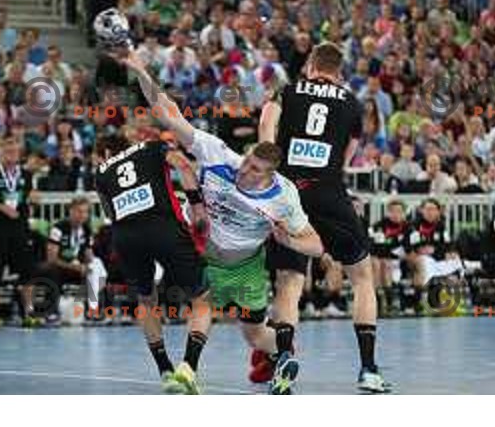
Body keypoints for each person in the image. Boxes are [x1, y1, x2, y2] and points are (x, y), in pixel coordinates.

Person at [121, 50, 323, 395]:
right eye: (246, 163)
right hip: (208, 256)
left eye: (254, 171)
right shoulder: (220, 156)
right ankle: (187, 370)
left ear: (269, 175)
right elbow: (169, 114)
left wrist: (288, 241)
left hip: (246, 266)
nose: (244, 171)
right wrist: (142, 71)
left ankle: (285, 354)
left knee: (255, 335)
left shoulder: (284, 196)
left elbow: (316, 245)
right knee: (202, 304)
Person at [259, 41, 389, 393]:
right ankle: (368, 369)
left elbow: (266, 129)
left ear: (311, 65)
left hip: (289, 194)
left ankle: (283, 360)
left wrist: (272, 177)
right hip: (329, 192)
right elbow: (347, 155)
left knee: (288, 281)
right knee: (362, 277)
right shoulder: (351, 101)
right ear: (338, 71)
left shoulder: (285, 91)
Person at [94, 131, 211, 395]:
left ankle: (165, 371)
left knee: (146, 301)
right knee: (202, 298)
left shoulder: (101, 171)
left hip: (126, 237)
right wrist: (197, 208)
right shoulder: (152, 146)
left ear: (104, 153)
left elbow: (109, 212)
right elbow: (183, 165)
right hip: (164, 228)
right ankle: (188, 366)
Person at [0, 135, 38, 327]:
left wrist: (35, 198)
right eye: (7, 151)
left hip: (20, 230)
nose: (11, 154)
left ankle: (28, 312)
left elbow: (32, 196)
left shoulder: (27, 176)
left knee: (27, 272)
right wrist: (2, 207)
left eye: (15, 151)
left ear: (19, 154)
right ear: (0, 154)